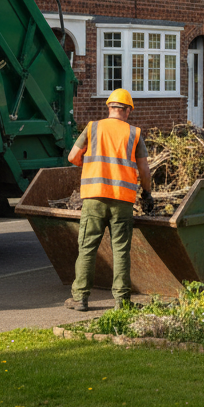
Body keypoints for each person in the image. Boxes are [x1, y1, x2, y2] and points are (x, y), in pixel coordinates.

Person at [64, 88, 152, 312]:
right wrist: (147, 193)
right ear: (128, 110)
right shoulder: (134, 133)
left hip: (94, 198)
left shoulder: (93, 127)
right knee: (120, 250)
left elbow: (73, 156)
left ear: (109, 108)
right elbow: (144, 169)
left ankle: (80, 298)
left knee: (87, 248)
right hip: (122, 200)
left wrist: (93, 166)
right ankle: (122, 301)